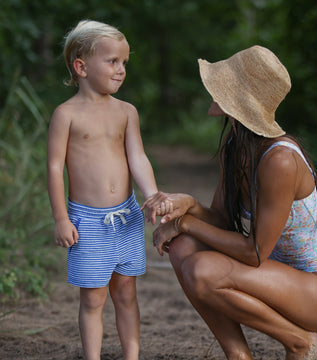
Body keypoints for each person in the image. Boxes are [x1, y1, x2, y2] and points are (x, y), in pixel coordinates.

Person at [142, 45, 317, 360]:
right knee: (183, 247)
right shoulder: (236, 144)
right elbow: (221, 222)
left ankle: (300, 342)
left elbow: (253, 253)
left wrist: (184, 222)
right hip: (276, 278)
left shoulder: (280, 160)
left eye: (223, 85)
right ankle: (239, 355)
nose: (211, 90)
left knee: (202, 267)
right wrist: (186, 204)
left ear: (238, 99)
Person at [47, 20, 168, 360]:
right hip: (88, 221)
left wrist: (152, 194)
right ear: (81, 66)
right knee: (93, 297)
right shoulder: (66, 114)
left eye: (124, 63)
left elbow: (138, 157)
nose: (120, 70)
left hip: (126, 216)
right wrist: (60, 218)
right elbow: (55, 168)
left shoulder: (126, 112)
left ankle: (131, 355)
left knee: (127, 291)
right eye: (112, 61)